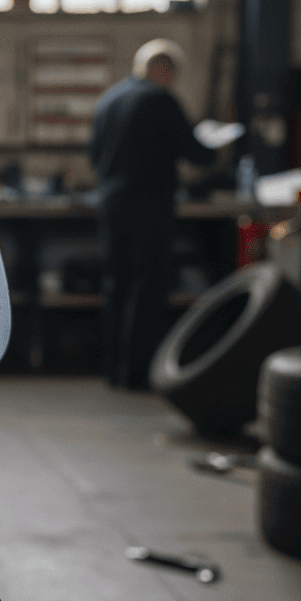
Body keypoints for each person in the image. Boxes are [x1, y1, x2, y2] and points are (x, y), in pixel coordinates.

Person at [89, 39, 217, 389]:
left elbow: (94, 154)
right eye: (172, 74)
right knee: (147, 287)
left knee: (115, 284)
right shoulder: (160, 99)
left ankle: (112, 370)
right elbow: (196, 153)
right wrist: (216, 145)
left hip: (111, 204)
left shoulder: (108, 100)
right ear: (163, 70)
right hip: (149, 206)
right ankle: (137, 372)